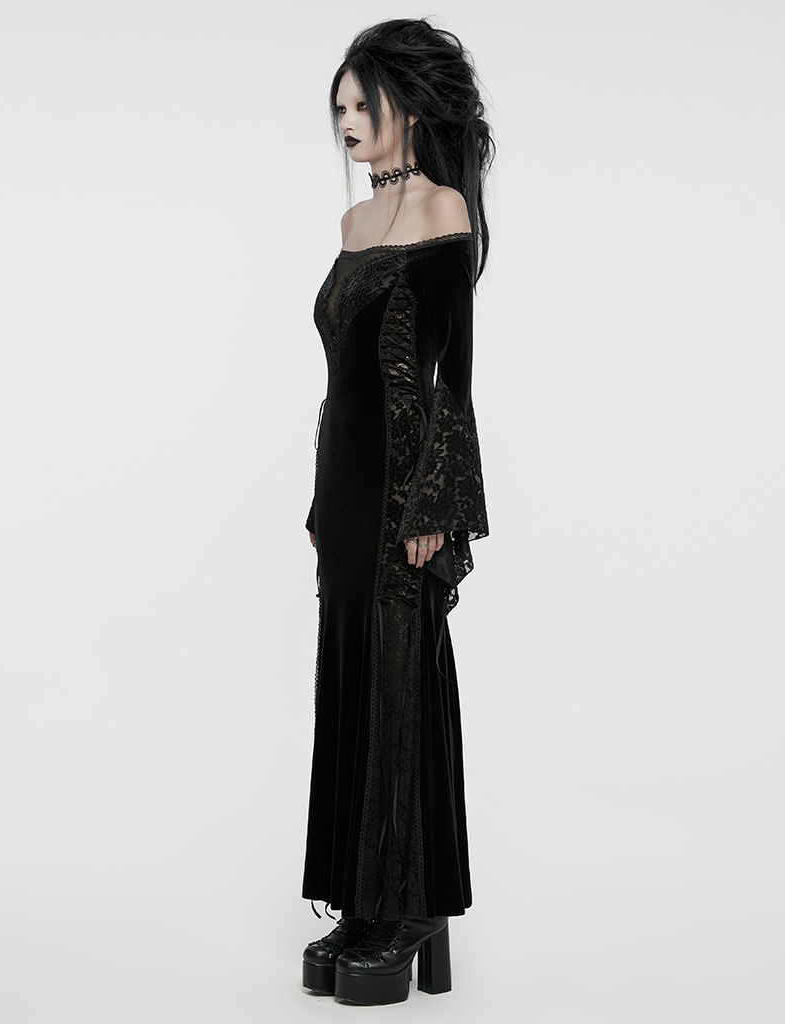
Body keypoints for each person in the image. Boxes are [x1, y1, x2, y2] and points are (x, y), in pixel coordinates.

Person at [300, 18, 495, 1006]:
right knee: (353, 681)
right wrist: (318, 495)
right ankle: (361, 899)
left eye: (360, 103)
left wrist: (436, 502)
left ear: (409, 108)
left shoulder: (443, 211)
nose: (346, 120)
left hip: (404, 496)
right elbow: (344, 385)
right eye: (337, 105)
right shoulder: (353, 224)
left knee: (398, 682)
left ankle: (410, 905)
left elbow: (452, 382)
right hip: (345, 491)